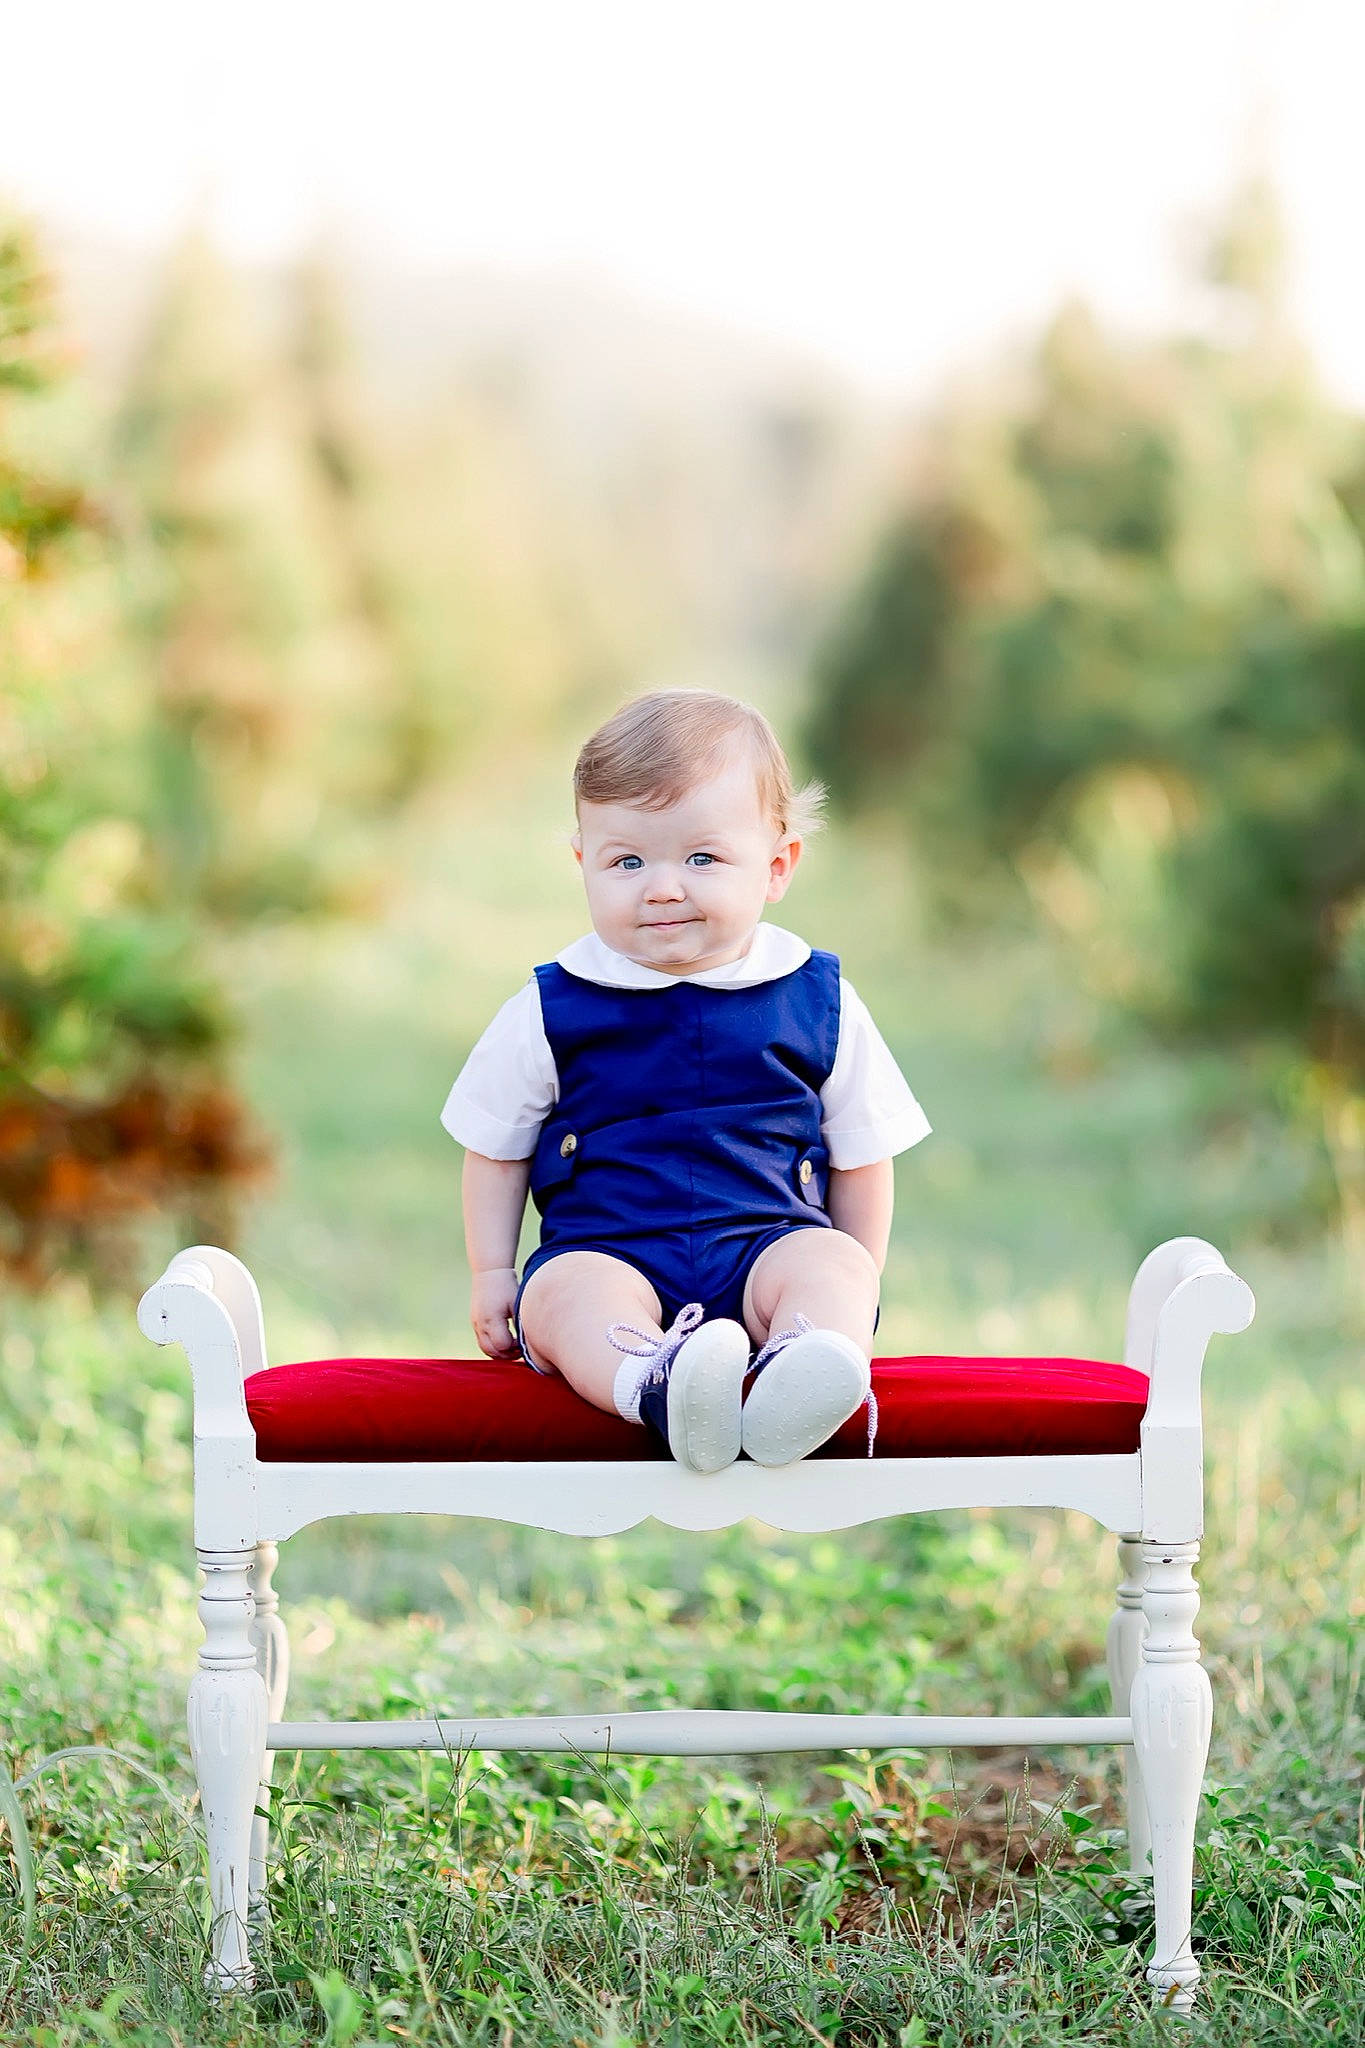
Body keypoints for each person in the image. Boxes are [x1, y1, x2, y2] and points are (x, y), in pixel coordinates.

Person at [441, 689, 930, 1472]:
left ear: (776, 867)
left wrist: (854, 1285)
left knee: (833, 1263)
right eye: (627, 861)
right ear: (582, 866)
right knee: (564, 1296)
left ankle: (800, 1370)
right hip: (609, 1250)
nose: (662, 886)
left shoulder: (815, 997)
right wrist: (492, 1272)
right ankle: (657, 1386)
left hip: (766, 1243)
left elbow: (864, 1154)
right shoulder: (553, 1003)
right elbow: (492, 1147)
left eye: (701, 858)